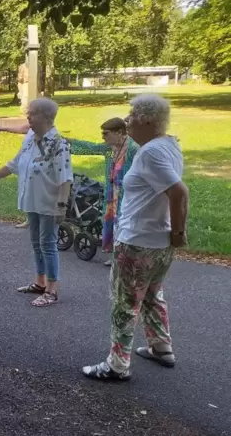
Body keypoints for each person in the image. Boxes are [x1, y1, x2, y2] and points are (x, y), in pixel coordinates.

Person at [83, 95, 188, 381]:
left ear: (148, 121)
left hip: (138, 242)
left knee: (124, 303)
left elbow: (179, 192)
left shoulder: (150, 152)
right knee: (153, 294)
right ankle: (161, 347)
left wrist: (179, 232)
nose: (127, 120)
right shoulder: (169, 145)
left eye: (132, 115)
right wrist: (175, 234)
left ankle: (117, 365)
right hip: (157, 243)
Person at [0, 98, 73, 307]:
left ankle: (52, 290)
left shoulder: (58, 144)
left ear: (46, 118)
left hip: (49, 203)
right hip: (31, 200)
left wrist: (61, 207)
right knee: (36, 243)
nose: (28, 116)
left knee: (48, 244)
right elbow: (14, 164)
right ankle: (39, 282)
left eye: (32, 113)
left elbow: (65, 178)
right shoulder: (30, 137)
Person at [67, 118, 140, 266]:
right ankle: (117, 257)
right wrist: (68, 142)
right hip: (112, 193)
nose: (103, 137)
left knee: (125, 224)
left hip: (128, 195)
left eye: (106, 133)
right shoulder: (110, 148)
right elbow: (90, 147)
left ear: (119, 132)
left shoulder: (133, 148)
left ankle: (129, 258)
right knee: (114, 223)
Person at [0, 122, 33, 228]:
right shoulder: (32, 128)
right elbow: (21, 128)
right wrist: (3, 127)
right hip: (27, 165)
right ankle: (30, 220)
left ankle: (37, 222)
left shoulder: (45, 132)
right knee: (27, 192)